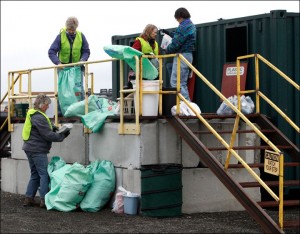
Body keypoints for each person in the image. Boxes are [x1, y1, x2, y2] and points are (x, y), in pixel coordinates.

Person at [22, 93, 70, 208]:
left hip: (29, 147)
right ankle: (44, 200)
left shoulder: (33, 113)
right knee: (44, 174)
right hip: (37, 149)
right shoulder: (39, 116)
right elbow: (47, 135)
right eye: (47, 105)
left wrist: (53, 128)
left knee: (35, 174)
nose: (48, 107)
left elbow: (44, 129)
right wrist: (62, 136)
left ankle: (29, 198)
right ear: (42, 105)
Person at [48, 16, 90, 113]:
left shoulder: (81, 36)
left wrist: (83, 60)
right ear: (66, 27)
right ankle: (61, 112)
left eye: (73, 29)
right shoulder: (60, 36)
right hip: (63, 68)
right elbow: (51, 51)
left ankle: (81, 110)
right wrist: (58, 63)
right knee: (63, 90)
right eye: (69, 29)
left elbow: (86, 51)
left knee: (78, 89)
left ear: (76, 28)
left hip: (77, 68)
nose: (71, 31)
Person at [161, 7, 196, 101]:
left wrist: (166, 50)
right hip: (187, 55)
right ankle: (187, 105)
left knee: (176, 82)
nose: (177, 21)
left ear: (180, 16)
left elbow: (177, 43)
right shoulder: (190, 25)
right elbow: (180, 36)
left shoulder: (184, 26)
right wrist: (169, 33)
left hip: (182, 56)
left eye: (177, 19)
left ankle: (186, 106)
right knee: (182, 82)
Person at [126, 24, 160, 89]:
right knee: (139, 92)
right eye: (155, 32)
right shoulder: (139, 41)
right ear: (149, 31)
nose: (156, 34)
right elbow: (133, 54)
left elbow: (159, 56)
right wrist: (146, 55)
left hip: (153, 72)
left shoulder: (155, 43)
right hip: (141, 72)